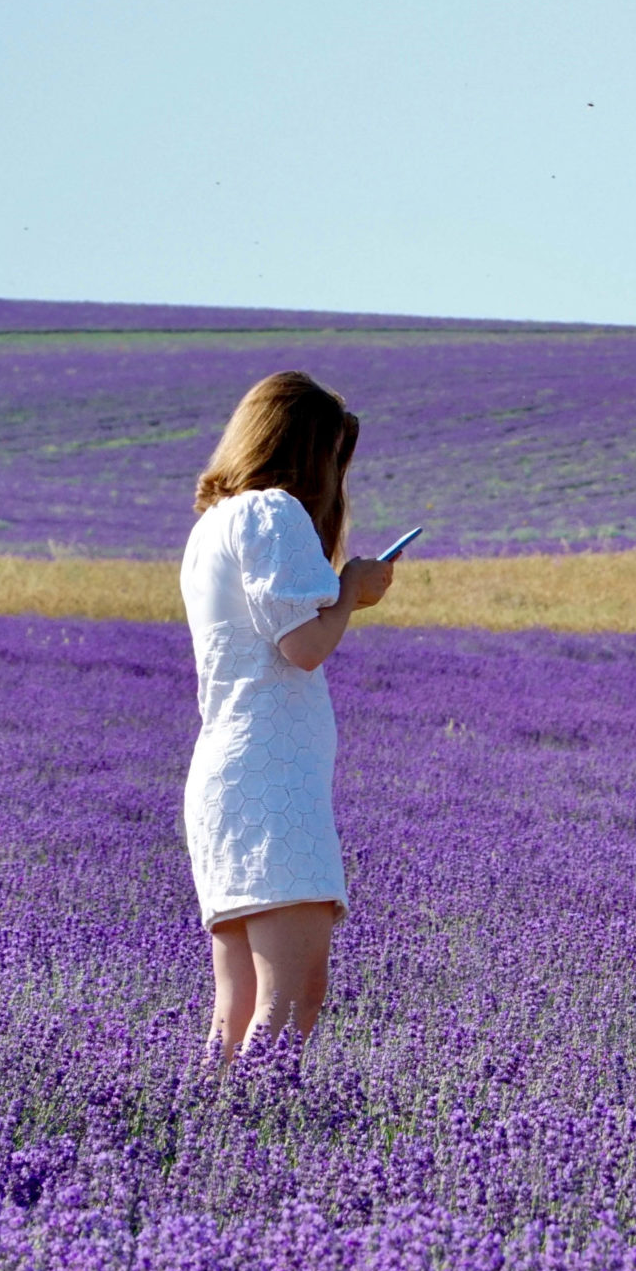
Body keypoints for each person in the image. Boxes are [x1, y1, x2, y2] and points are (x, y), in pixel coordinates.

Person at [181, 371, 395, 1061]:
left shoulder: (214, 525)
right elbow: (302, 645)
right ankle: (247, 1153)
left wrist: (336, 598)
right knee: (294, 995)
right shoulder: (274, 512)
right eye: (334, 456)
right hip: (269, 785)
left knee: (237, 1006)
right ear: (308, 450)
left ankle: (198, 1145)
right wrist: (352, 587)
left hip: (227, 779)